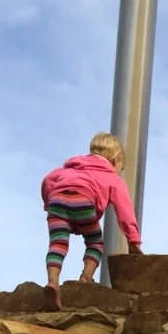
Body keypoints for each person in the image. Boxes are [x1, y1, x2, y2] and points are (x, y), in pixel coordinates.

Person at [39, 133, 142, 311]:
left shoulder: (70, 168)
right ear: (116, 159)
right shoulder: (112, 178)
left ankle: (53, 283)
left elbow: (48, 180)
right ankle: (85, 279)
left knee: (57, 244)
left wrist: (49, 203)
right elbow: (125, 211)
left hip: (57, 201)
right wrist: (133, 241)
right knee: (95, 244)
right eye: (121, 168)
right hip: (84, 201)